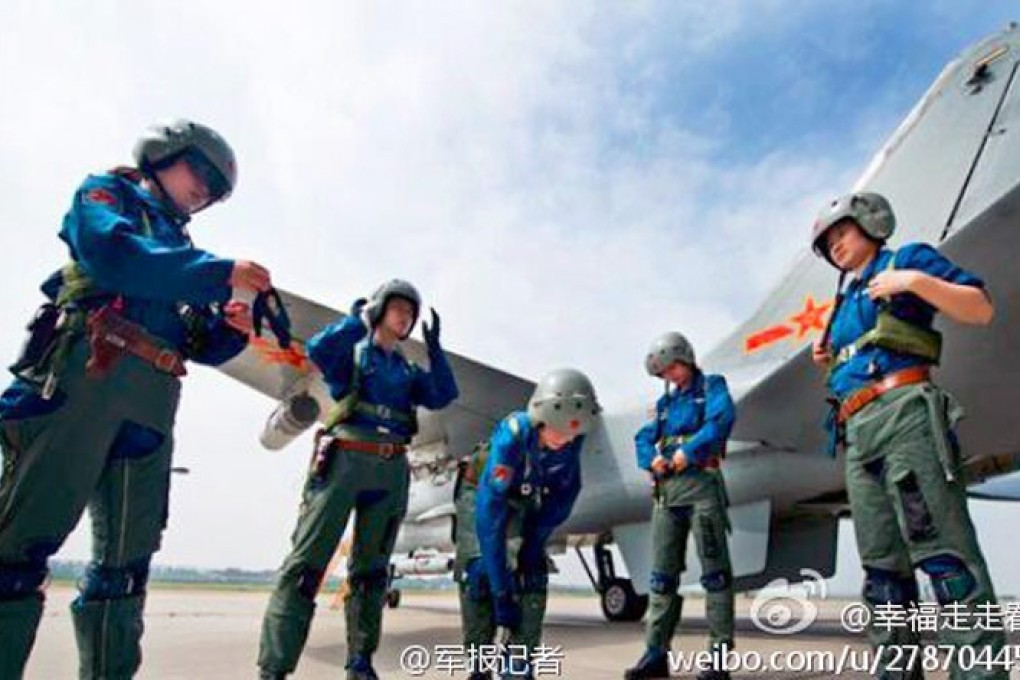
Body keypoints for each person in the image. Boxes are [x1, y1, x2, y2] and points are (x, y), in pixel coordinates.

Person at [0, 118, 272, 679]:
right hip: (83, 380)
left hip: (151, 403)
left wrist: (231, 328)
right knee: (15, 557)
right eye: (200, 173)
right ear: (163, 154)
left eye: (215, 190)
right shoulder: (107, 195)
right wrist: (221, 274)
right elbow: (112, 255)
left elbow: (197, 342)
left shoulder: (183, 251)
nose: (204, 192)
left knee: (124, 571)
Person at [810, 191, 1005, 680]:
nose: (836, 245)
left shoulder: (906, 260)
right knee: (882, 573)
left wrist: (914, 282)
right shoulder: (844, 302)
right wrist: (830, 359)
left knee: (945, 559)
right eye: (828, 242)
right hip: (858, 435)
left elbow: (980, 308)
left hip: (904, 417)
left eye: (842, 232)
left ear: (871, 225)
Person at [258, 279, 459, 680]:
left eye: (411, 313)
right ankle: (274, 669)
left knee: (371, 573)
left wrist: (436, 350)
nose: (405, 317)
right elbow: (318, 350)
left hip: (391, 469)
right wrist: (356, 322)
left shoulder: (408, 371)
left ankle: (360, 663)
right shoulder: (352, 354)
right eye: (398, 308)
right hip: (345, 462)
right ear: (380, 310)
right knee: (306, 566)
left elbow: (443, 394)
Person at [454, 368, 601, 680]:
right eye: (559, 433)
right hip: (480, 493)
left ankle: (518, 668)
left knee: (532, 575)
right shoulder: (513, 436)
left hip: (524, 497)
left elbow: (562, 499)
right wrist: (501, 592)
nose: (566, 441)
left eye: (572, 436)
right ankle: (480, 669)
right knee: (481, 573)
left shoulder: (571, 436)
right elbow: (490, 518)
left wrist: (534, 544)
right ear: (541, 418)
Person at [625, 332, 736, 680]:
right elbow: (643, 437)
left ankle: (718, 660)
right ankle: (655, 654)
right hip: (667, 494)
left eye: (672, 367)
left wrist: (688, 452)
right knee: (661, 578)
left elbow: (720, 422)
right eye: (663, 373)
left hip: (702, 488)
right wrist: (651, 459)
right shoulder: (665, 404)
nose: (669, 376)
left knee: (715, 576)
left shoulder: (712, 387)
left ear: (686, 359)